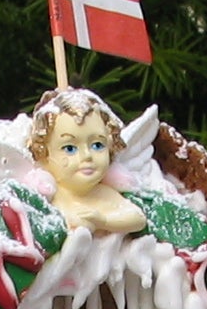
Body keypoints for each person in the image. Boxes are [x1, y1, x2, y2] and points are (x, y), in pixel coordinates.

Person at [26, 87, 146, 234]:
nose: (87, 155)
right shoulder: (50, 197)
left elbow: (138, 219)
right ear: (43, 155)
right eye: (70, 148)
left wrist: (104, 222)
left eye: (97, 145)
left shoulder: (104, 195)